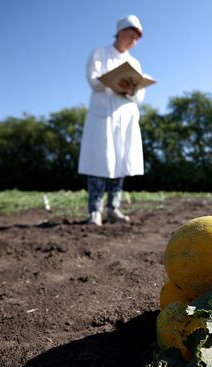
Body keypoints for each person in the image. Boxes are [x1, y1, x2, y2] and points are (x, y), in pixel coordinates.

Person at [78, 14, 147, 226]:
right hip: (103, 115)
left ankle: (113, 208)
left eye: (137, 37)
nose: (133, 40)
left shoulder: (134, 62)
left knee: (120, 162)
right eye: (131, 34)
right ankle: (95, 212)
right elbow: (93, 79)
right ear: (120, 32)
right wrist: (114, 79)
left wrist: (131, 89)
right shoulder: (100, 53)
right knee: (100, 161)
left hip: (125, 115)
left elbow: (140, 95)